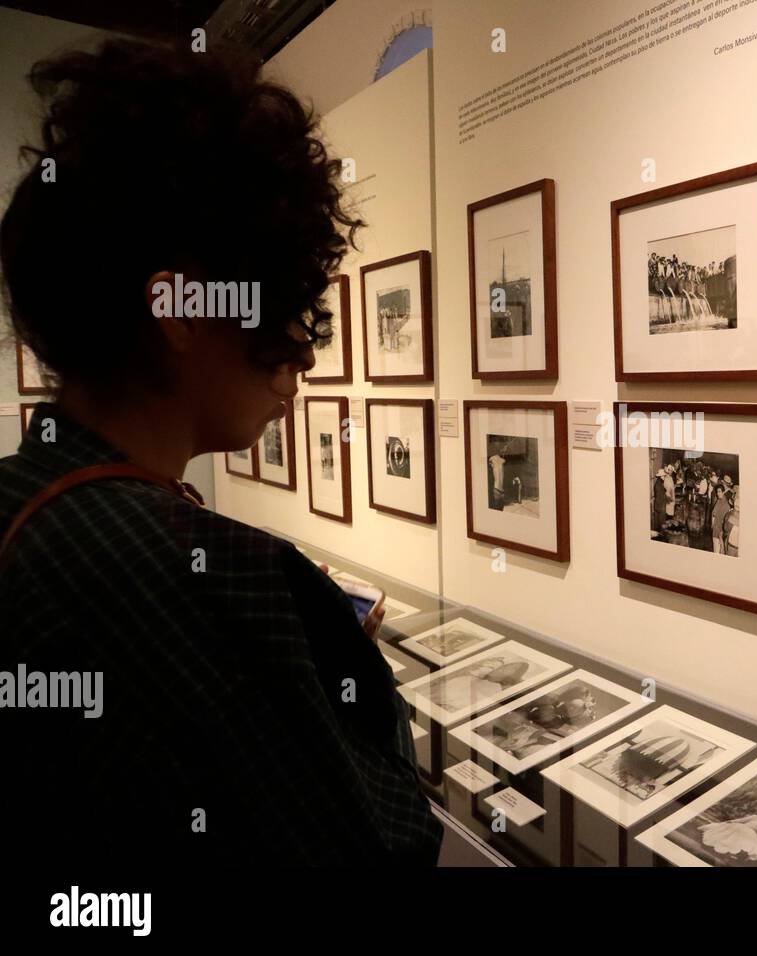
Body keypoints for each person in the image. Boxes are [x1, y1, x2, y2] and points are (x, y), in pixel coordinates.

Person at [0, 38, 442, 863]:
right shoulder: (208, 581)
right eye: (295, 307)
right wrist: (338, 676)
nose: (305, 355)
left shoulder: (18, 499)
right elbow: (375, 846)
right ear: (179, 309)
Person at [711, 486, 731, 554]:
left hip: (720, 532)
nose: (717, 493)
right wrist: (713, 524)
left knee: (717, 551)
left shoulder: (726, 506)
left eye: (719, 492)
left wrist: (721, 534)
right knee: (716, 549)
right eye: (717, 492)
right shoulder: (719, 500)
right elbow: (714, 513)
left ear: (723, 492)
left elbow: (725, 523)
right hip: (715, 529)